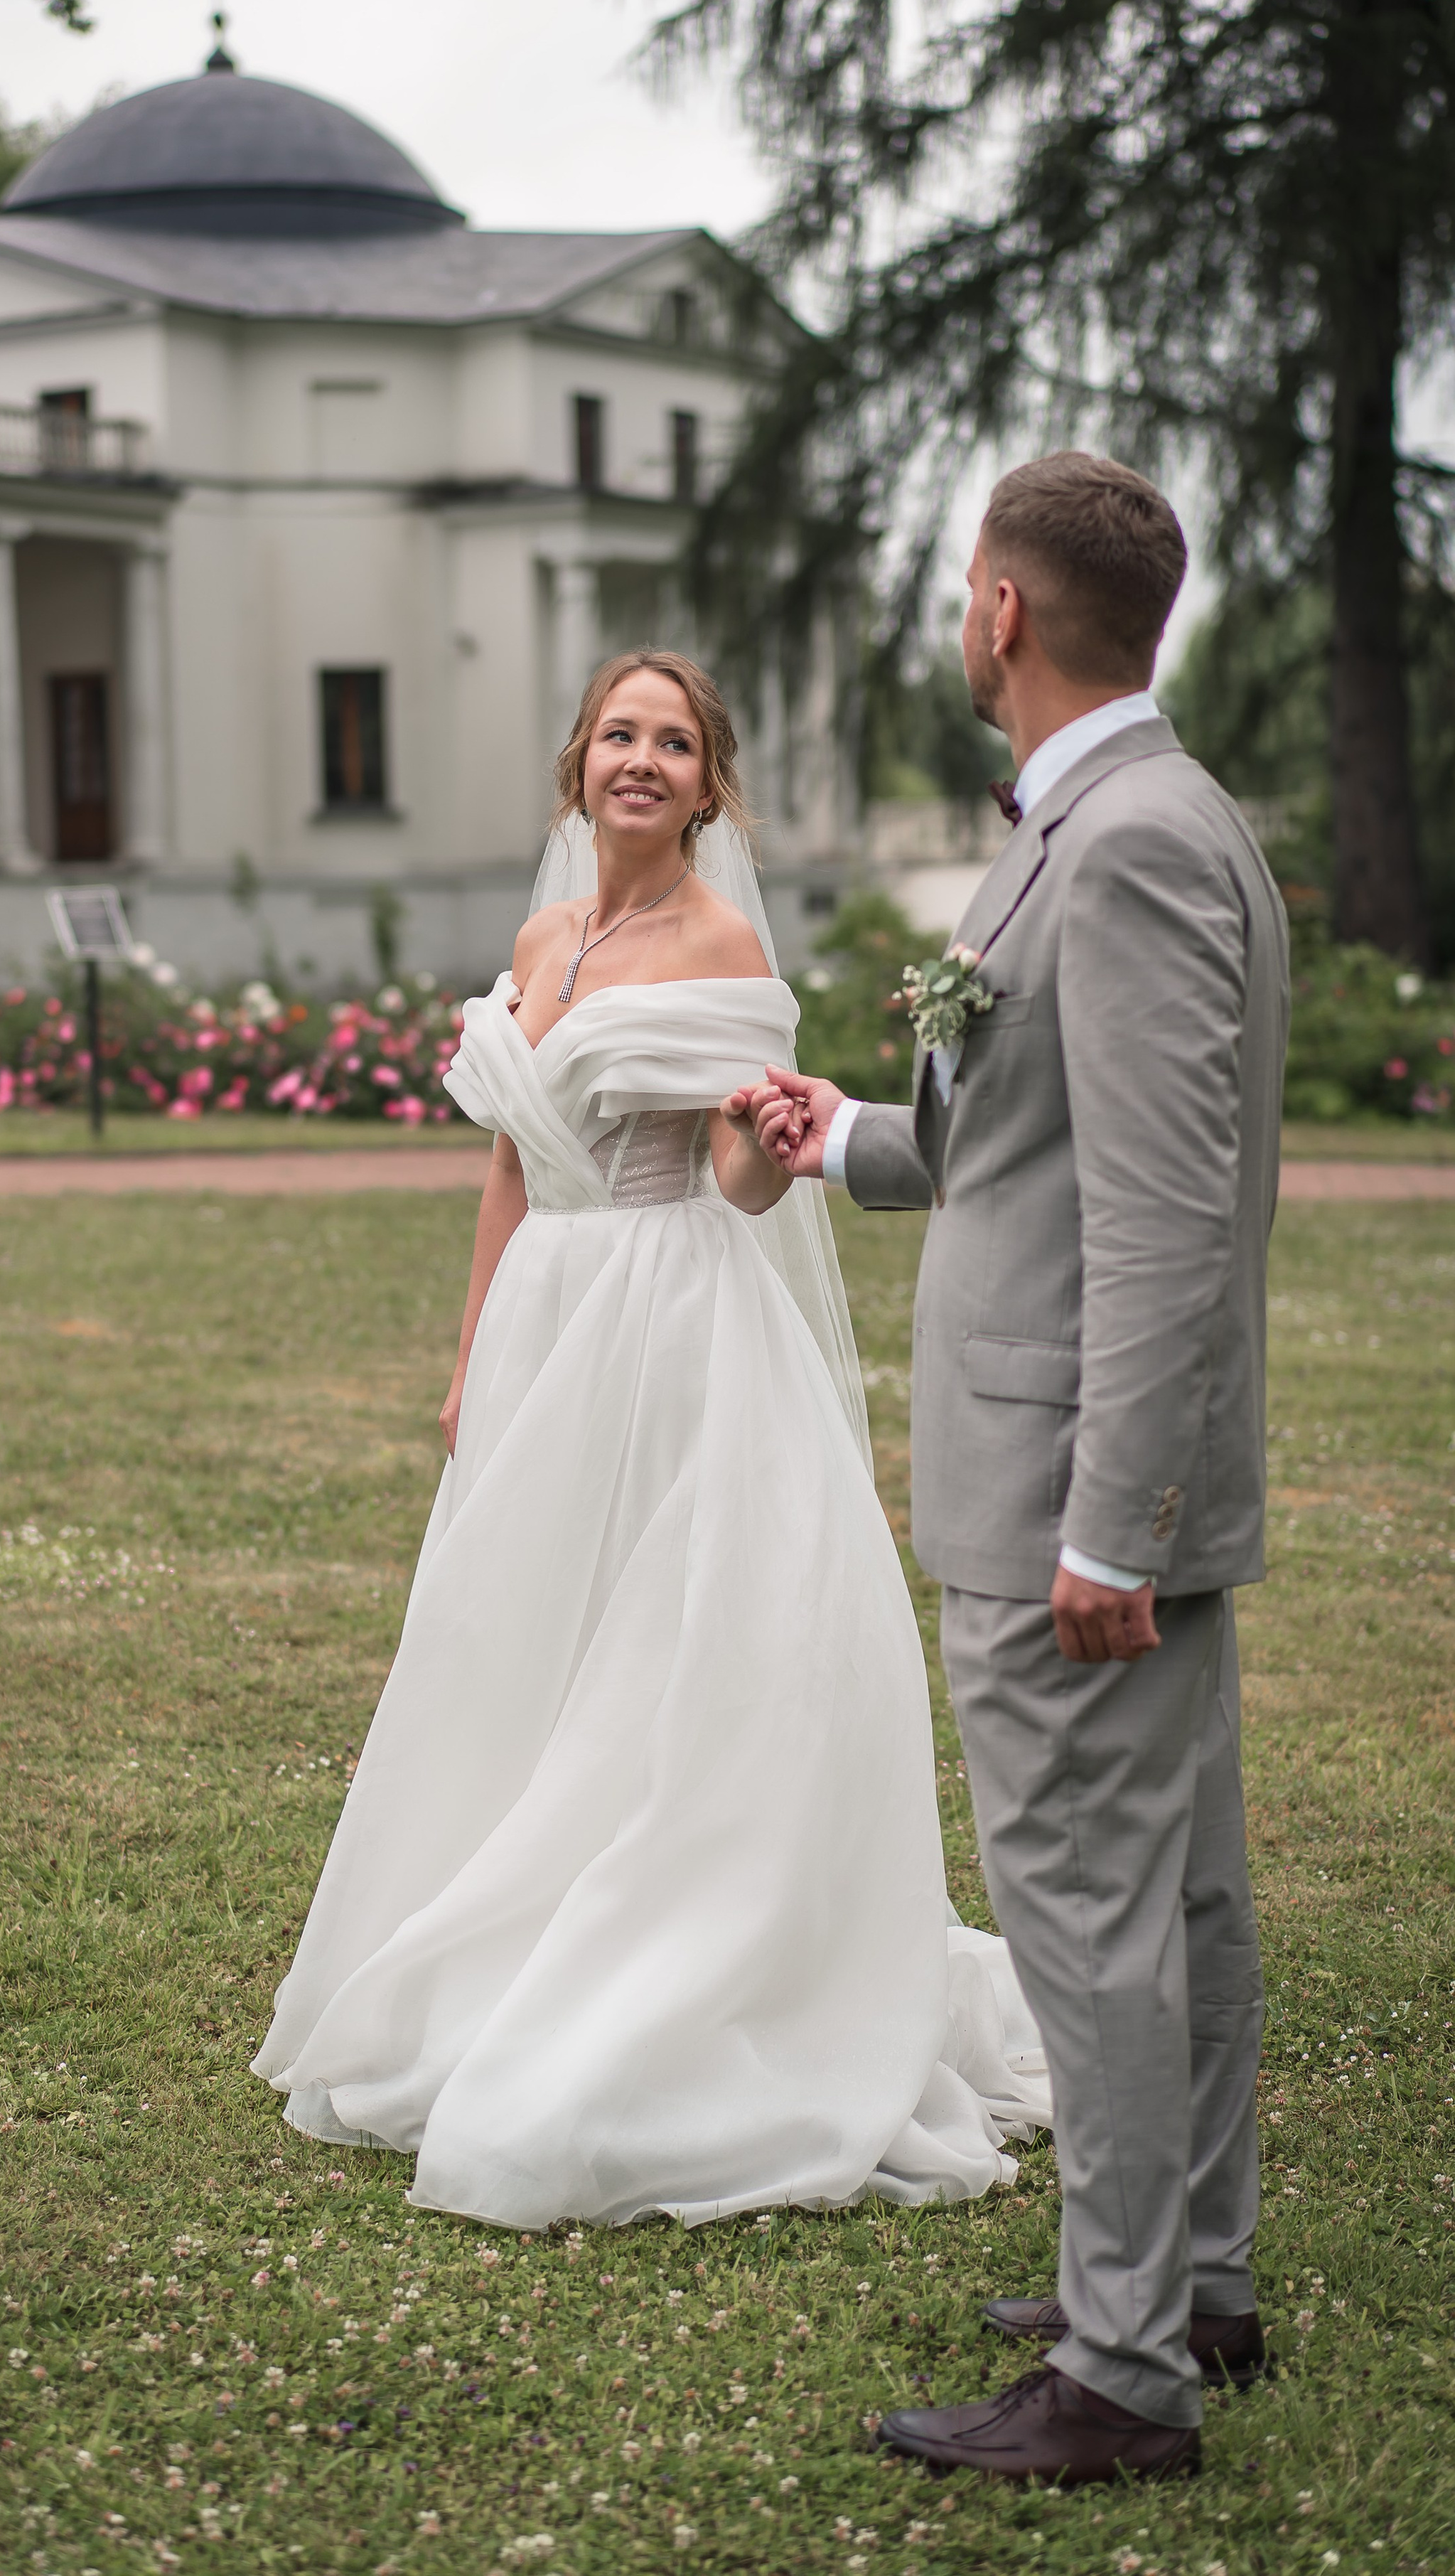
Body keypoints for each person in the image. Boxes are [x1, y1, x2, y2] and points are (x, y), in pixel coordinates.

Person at [253, 647, 1049, 2229]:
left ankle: (651, 1950)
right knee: (517, 1639)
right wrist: (472, 1349)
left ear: (706, 781)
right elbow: (507, 1162)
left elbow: (731, 1178)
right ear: (577, 763)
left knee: (654, 1643)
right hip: (548, 1314)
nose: (639, 760)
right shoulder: (546, 933)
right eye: (617, 734)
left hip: (670, 1313)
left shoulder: (716, 938)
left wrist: (770, 1151)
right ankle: (503, 1918)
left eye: (671, 742)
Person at [736, 452, 1288, 2482]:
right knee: (1186, 1898)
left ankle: (1127, 2369)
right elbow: (1026, 1139)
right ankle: (1192, 2278)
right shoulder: (1138, 814)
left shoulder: (1125, 840)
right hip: (1111, 1486)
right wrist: (849, 1131)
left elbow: (1158, 1211)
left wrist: (1106, 1518)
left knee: (1092, 1914)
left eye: (963, 590)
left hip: (1078, 1499)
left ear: (999, 612)